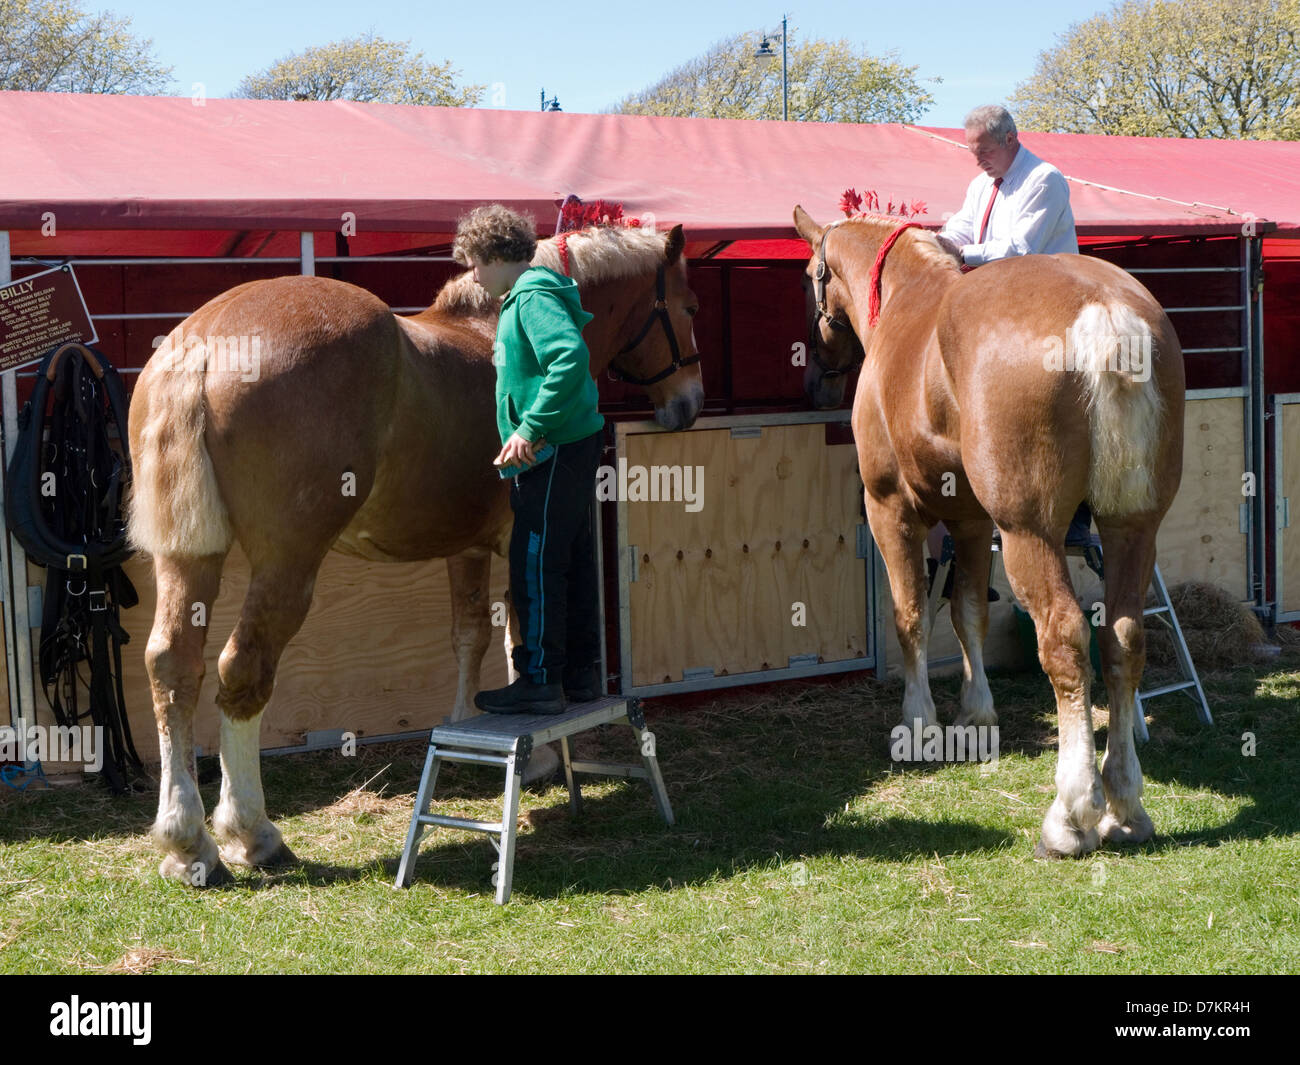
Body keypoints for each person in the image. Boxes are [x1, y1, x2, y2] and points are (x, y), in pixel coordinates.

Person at [454, 204, 605, 714]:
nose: (473, 274)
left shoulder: (533, 298)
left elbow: (568, 359)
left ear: (496, 254)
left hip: (553, 449)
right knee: (571, 559)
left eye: (475, 261)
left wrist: (529, 428)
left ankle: (539, 678)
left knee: (534, 562)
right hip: (570, 444)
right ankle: (580, 676)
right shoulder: (533, 293)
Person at [935, 104, 1092, 560]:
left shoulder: (1045, 179)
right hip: (1001, 301)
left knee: (1073, 397)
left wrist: (962, 253)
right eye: (971, 151)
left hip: (1051, 301)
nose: (977, 159)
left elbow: (1022, 249)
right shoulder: (981, 182)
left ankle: (1078, 508)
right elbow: (964, 225)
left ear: (1010, 140)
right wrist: (941, 240)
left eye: (983, 150)